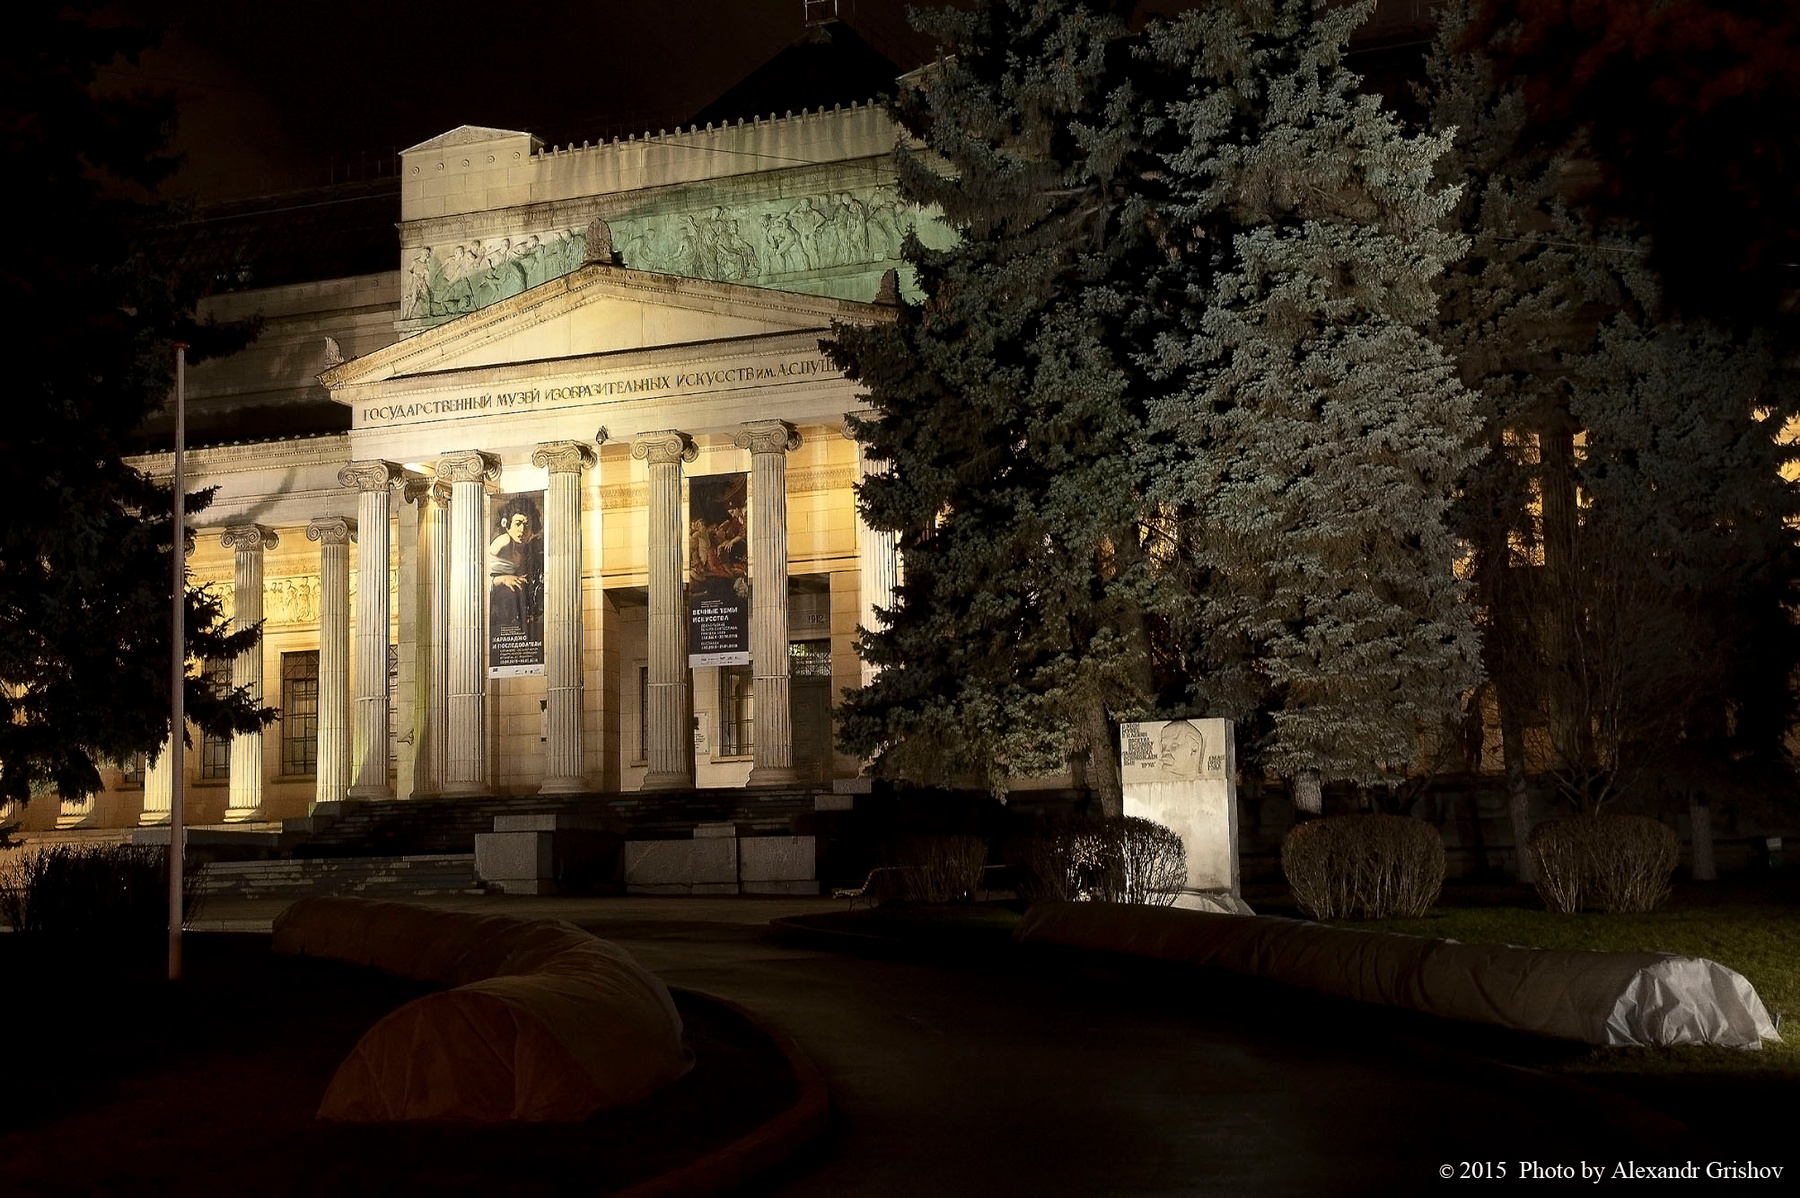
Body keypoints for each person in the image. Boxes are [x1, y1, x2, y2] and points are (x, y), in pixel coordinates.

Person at [489, 501, 542, 638]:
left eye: (527, 525)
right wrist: (502, 579)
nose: (522, 530)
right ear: (507, 525)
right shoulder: (504, 542)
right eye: (518, 524)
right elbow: (478, 578)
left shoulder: (525, 551)